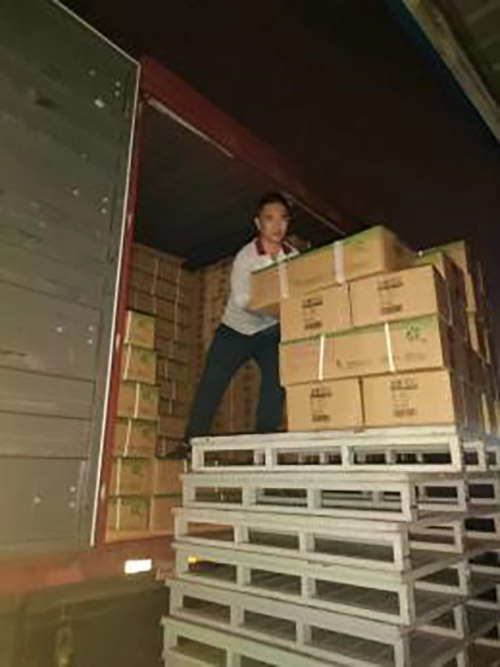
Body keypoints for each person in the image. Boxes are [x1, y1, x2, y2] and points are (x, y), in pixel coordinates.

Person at [168, 192, 298, 459]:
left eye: (283, 219)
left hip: (270, 333)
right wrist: (278, 306)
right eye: (269, 219)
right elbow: (242, 299)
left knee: (277, 381)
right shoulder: (247, 256)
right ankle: (190, 442)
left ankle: (264, 448)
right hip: (236, 331)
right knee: (212, 383)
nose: (277, 226)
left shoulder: (293, 257)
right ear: (258, 223)